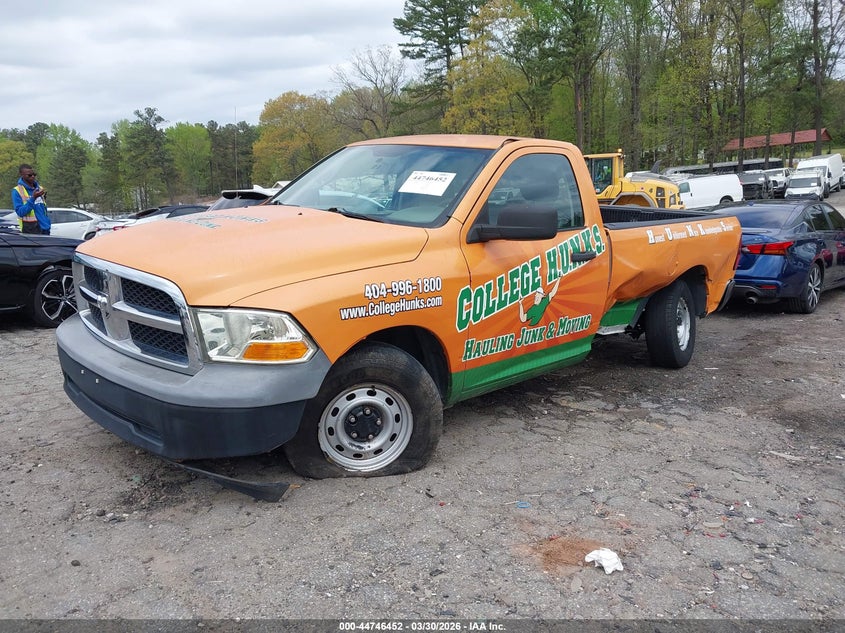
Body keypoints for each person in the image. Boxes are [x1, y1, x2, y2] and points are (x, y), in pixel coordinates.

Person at [12, 164, 50, 235]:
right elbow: (20, 212)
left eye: (34, 174)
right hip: (30, 230)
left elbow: (43, 209)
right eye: (29, 175)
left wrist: (47, 222)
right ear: (21, 175)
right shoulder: (17, 191)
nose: (32, 176)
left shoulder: (40, 189)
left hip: (45, 228)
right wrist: (33, 198)